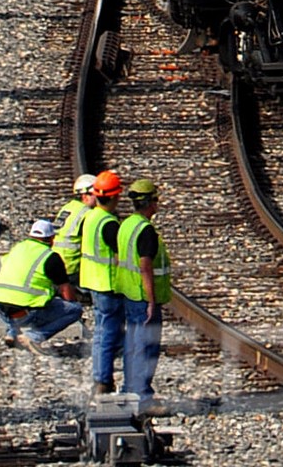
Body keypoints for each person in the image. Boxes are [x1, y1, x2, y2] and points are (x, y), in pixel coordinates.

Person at [116, 178, 174, 407]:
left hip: (129, 293)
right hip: (142, 296)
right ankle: (143, 396)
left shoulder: (127, 224)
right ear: (151, 202)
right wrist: (151, 300)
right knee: (146, 346)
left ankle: (130, 388)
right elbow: (145, 266)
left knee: (132, 344)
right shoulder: (145, 230)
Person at [0, 218, 84, 354]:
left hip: (0, 307)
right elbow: (65, 289)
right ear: (51, 238)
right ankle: (33, 337)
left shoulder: (18, 248)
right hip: (25, 312)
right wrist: (70, 304)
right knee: (75, 310)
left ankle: (12, 333)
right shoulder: (50, 257)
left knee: (14, 300)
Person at [78, 170, 128, 397]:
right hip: (107, 284)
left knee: (101, 333)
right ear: (116, 196)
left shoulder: (90, 216)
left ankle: (100, 378)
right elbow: (122, 254)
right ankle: (103, 380)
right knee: (108, 333)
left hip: (92, 281)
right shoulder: (108, 224)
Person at [53, 174, 97, 268]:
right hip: (72, 264)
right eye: (95, 195)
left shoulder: (67, 207)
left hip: (57, 261)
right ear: (85, 196)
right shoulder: (86, 213)